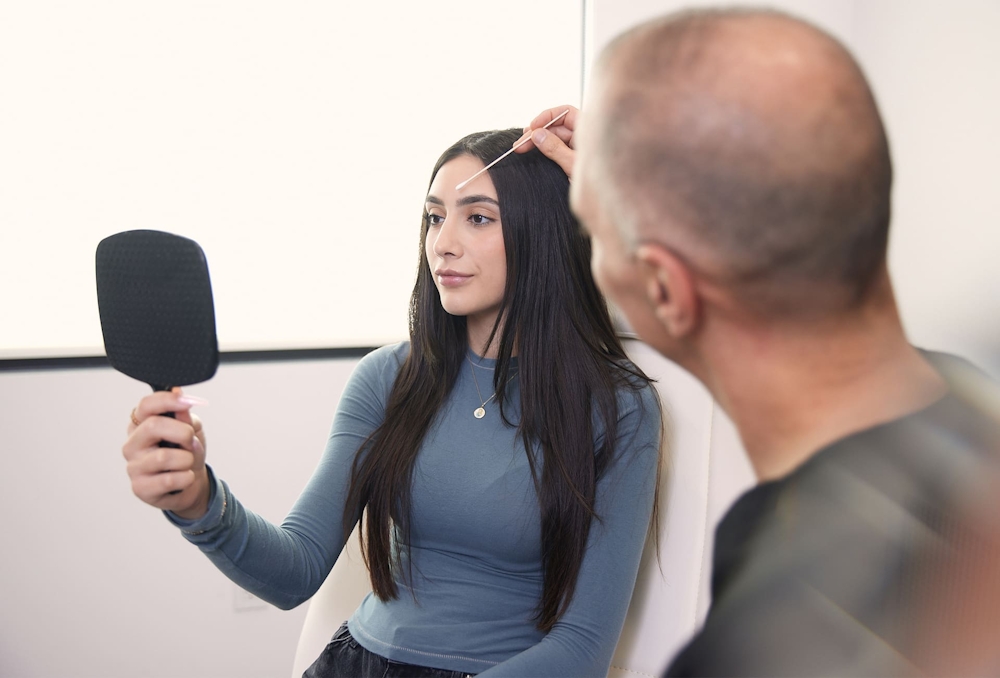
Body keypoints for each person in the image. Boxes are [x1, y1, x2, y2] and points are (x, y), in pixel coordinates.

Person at [520, 7, 1000, 677]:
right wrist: (639, 156)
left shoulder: (768, 643)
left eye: (590, 230)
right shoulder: (963, 404)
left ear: (664, 289)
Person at [121, 128, 662, 677]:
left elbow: (583, 647)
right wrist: (197, 502)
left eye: (477, 217)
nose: (442, 242)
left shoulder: (617, 406)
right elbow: (294, 572)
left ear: (543, 232)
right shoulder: (388, 377)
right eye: (434, 217)